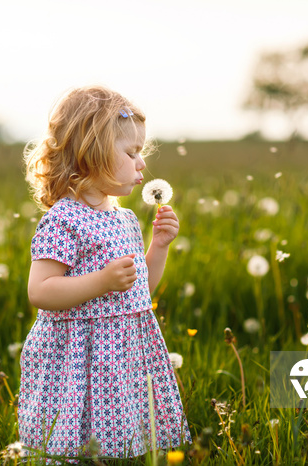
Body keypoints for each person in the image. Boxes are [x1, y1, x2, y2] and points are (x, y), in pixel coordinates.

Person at [18, 85, 191, 461]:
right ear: (91, 155)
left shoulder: (125, 219)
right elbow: (41, 291)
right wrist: (100, 282)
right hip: (77, 355)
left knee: (120, 440)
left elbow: (138, 288)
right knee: (74, 439)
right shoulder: (64, 220)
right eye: (131, 153)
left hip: (121, 352)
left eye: (140, 153)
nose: (141, 163)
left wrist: (158, 247)